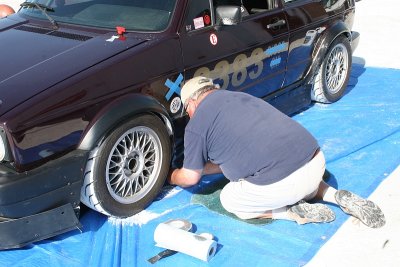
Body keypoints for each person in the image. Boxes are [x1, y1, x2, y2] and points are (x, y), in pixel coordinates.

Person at [168, 76, 386, 228]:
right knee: (291, 171)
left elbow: (190, 177)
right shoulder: (240, 97)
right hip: (315, 160)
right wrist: (205, 169)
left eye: (187, 110)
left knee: (230, 199)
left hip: (284, 183)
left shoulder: (196, 126)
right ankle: (335, 196)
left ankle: (290, 213)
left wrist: (171, 175)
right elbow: (238, 154)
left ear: (192, 104)